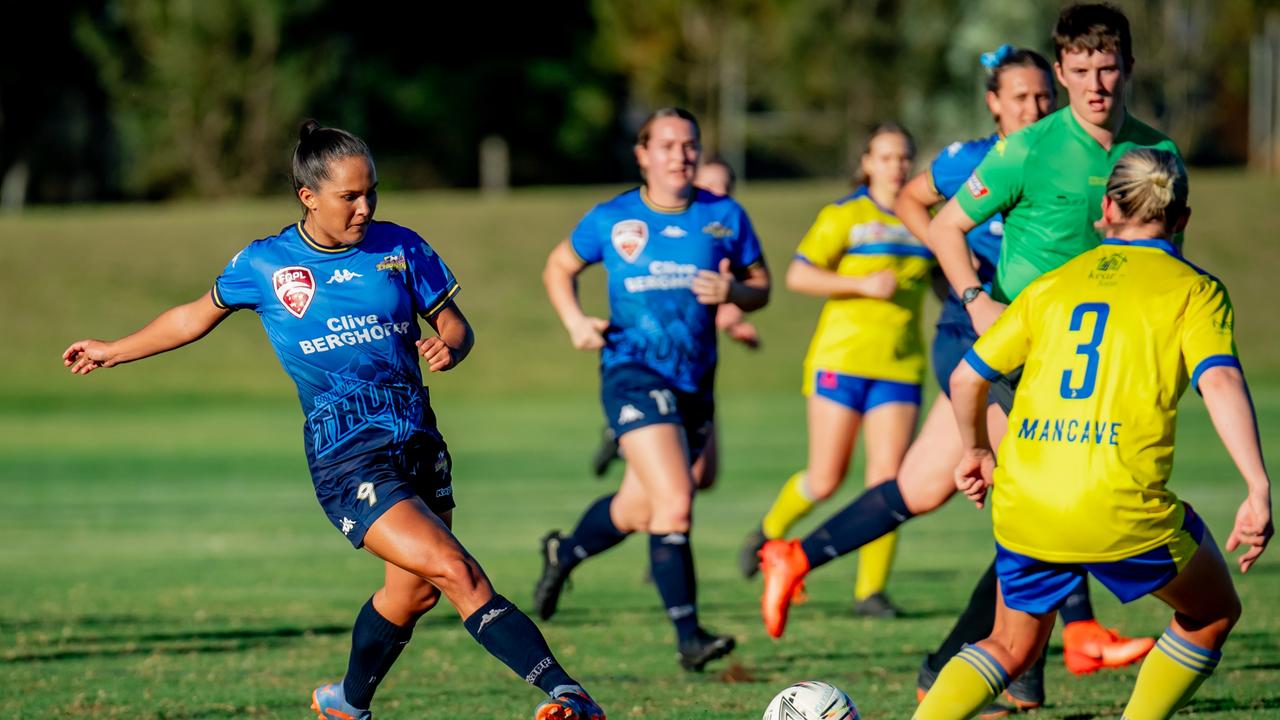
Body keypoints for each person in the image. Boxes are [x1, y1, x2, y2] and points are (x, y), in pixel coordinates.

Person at [61, 121, 605, 720]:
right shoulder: (266, 264)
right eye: (350, 196)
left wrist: (451, 345)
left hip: (417, 441)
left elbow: (454, 322)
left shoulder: (400, 247)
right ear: (308, 196)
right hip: (348, 456)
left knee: (413, 591)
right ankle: (569, 695)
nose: (365, 207)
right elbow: (193, 316)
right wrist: (114, 348)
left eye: (371, 192)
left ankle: (347, 703)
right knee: (455, 570)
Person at [760, 2, 1179, 696]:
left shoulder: (1153, 154)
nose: (1093, 86)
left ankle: (800, 557)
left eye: (1106, 70)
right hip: (1009, 348)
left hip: (1089, 357)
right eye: (1076, 73)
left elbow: (1165, 253)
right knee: (1051, 500)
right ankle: (1041, 652)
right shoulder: (1010, 153)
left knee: (922, 488)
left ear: (1129, 69)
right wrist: (972, 296)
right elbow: (934, 215)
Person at [914, 148, 1271, 720]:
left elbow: (965, 377)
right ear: (1181, 219)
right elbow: (1221, 380)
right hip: (1117, 501)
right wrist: (1256, 484)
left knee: (1008, 645)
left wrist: (978, 450)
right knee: (1211, 612)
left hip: (1025, 496)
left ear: (1105, 209)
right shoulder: (1194, 290)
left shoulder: (1053, 284)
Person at [534, 107, 770, 672]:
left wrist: (734, 288)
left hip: (694, 384)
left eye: (689, 145)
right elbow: (558, 267)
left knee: (638, 508)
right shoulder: (612, 218)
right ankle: (689, 638)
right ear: (643, 155)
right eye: (667, 145)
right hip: (631, 372)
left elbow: (762, 288)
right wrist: (575, 321)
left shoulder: (724, 216)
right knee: (676, 502)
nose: (680, 155)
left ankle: (563, 552)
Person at [743, 122, 926, 620]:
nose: (897, 166)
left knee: (887, 481)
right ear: (866, 162)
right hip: (841, 360)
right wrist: (863, 286)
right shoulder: (846, 216)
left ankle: (871, 592)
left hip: (900, 365)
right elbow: (799, 273)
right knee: (825, 479)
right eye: (886, 157)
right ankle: (769, 536)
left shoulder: (924, 219)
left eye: (904, 157)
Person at [589, 156, 760, 483]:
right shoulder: (668, 231)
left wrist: (735, 313)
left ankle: (622, 445)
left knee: (702, 477)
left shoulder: (721, 231)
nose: (718, 193)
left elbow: (730, 294)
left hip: (695, 369)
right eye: (710, 185)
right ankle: (626, 437)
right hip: (650, 371)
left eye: (726, 188)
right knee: (672, 483)